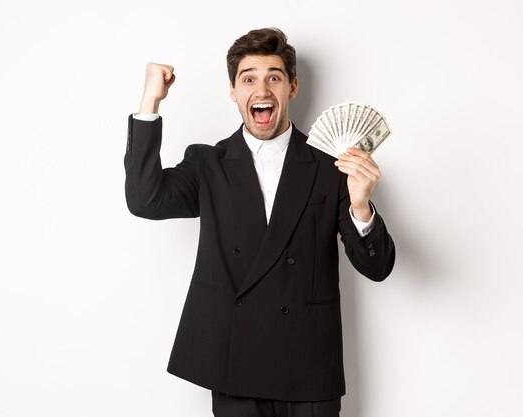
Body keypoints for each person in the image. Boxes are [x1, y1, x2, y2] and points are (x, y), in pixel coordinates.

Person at [124, 27, 395, 417]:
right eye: (248, 78)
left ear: (292, 87)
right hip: (237, 362)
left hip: (309, 366)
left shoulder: (330, 166)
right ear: (233, 91)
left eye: (274, 77)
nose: (262, 89)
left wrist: (362, 205)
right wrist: (150, 101)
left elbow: (377, 267)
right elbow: (144, 199)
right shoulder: (207, 164)